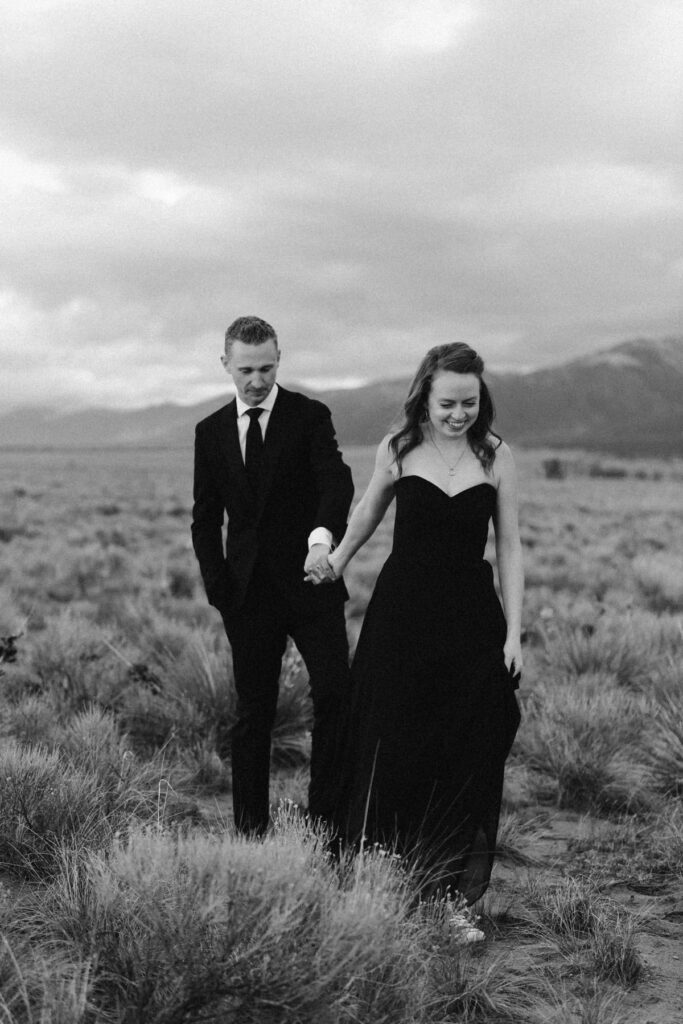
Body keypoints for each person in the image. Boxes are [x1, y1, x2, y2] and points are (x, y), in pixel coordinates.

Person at [322, 342, 523, 903]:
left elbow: (509, 547)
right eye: (447, 404)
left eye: (470, 402)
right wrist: (335, 561)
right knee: (391, 738)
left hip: (471, 620)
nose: (460, 414)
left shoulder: (496, 455)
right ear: (424, 398)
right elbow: (366, 514)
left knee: (465, 745)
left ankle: (449, 892)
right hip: (402, 616)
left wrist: (513, 633)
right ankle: (377, 877)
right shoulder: (399, 448)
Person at [191, 316, 354, 836]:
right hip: (247, 596)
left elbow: (336, 484)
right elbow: (204, 517)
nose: (256, 380)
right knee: (253, 715)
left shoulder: (309, 416)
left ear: (279, 360)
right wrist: (219, 588)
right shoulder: (210, 432)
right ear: (226, 366)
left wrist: (322, 542)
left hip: (313, 583)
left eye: (265, 368)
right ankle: (250, 832)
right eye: (245, 370)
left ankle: (326, 824)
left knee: (334, 695)